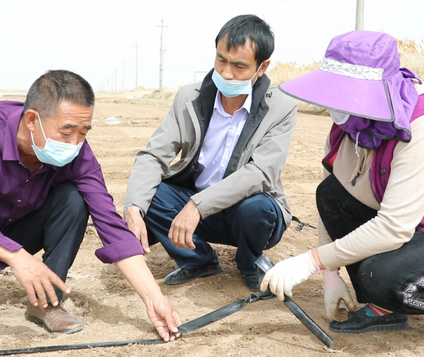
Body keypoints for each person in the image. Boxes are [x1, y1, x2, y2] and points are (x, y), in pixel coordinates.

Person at [261, 31, 424, 350]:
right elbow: (331, 190)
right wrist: (330, 275)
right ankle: (384, 307)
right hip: (421, 221)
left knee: (382, 277)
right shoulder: (349, 124)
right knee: (331, 195)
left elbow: (394, 227)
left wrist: (311, 262)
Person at [0, 70, 181, 341]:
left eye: (83, 133)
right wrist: (18, 257)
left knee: (74, 198)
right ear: (32, 120)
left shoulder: (79, 154)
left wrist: (153, 298)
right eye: (66, 132)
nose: (75, 144)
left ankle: (46, 302)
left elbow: (110, 224)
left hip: (20, 224)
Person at [123, 14, 298, 292]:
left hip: (243, 211)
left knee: (259, 209)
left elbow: (261, 173)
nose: (227, 73)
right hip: (199, 209)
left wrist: (196, 206)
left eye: (240, 66)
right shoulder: (189, 97)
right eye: (221, 60)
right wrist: (133, 208)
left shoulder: (281, 107)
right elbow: (153, 156)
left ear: (262, 67)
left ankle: (249, 262)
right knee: (149, 194)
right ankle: (198, 259)